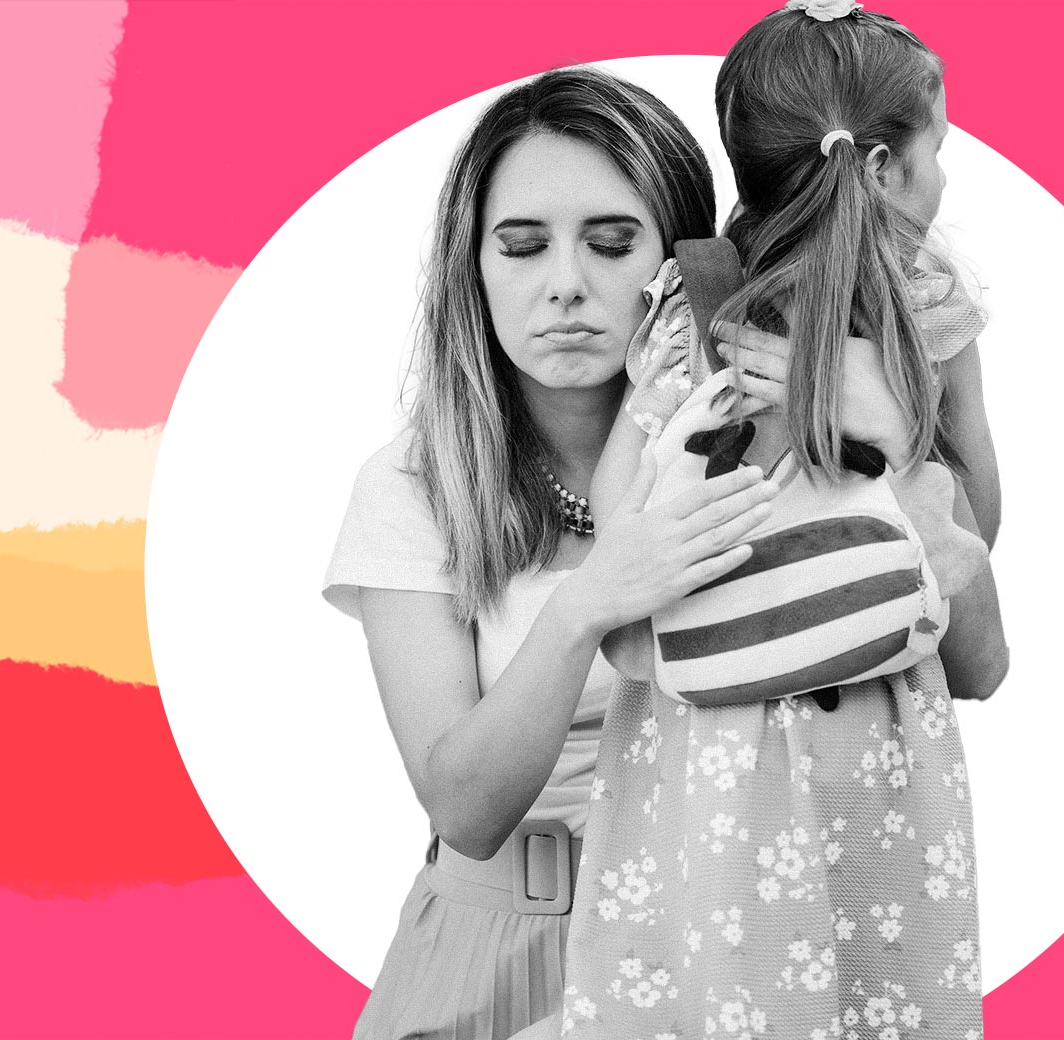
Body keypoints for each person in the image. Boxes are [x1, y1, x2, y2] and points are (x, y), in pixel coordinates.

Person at [550, 5, 1006, 1038]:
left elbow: (618, 530)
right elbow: (975, 535)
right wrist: (894, 438)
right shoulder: (928, 305)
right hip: (881, 757)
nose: (944, 176)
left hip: (701, 766)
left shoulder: (689, 301)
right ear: (882, 168)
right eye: (939, 148)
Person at [322, 67, 782, 1040]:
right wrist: (590, 600)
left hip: (723, 936)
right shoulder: (413, 485)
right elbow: (464, 807)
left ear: (679, 265)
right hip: (495, 951)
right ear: (474, 268)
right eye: (522, 245)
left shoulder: (756, 446)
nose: (565, 283)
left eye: (611, 244)